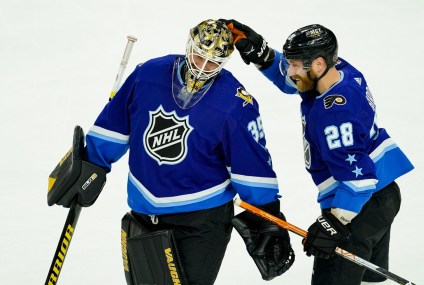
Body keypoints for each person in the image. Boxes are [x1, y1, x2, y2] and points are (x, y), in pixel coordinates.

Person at [47, 19, 294, 285]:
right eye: (199, 57)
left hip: (200, 222)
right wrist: (90, 162)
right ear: (189, 44)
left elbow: (252, 168)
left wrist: (269, 216)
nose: (201, 68)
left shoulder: (235, 105)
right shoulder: (148, 75)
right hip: (142, 210)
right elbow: (116, 125)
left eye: (212, 63)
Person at [223, 19, 414, 285]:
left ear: (319, 63)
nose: (289, 72)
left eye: (294, 65)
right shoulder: (341, 71)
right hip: (385, 194)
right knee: (368, 277)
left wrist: (334, 223)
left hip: (357, 207)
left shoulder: (334, 114)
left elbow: (359, 180)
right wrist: (262, 54)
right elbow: (295, 81)